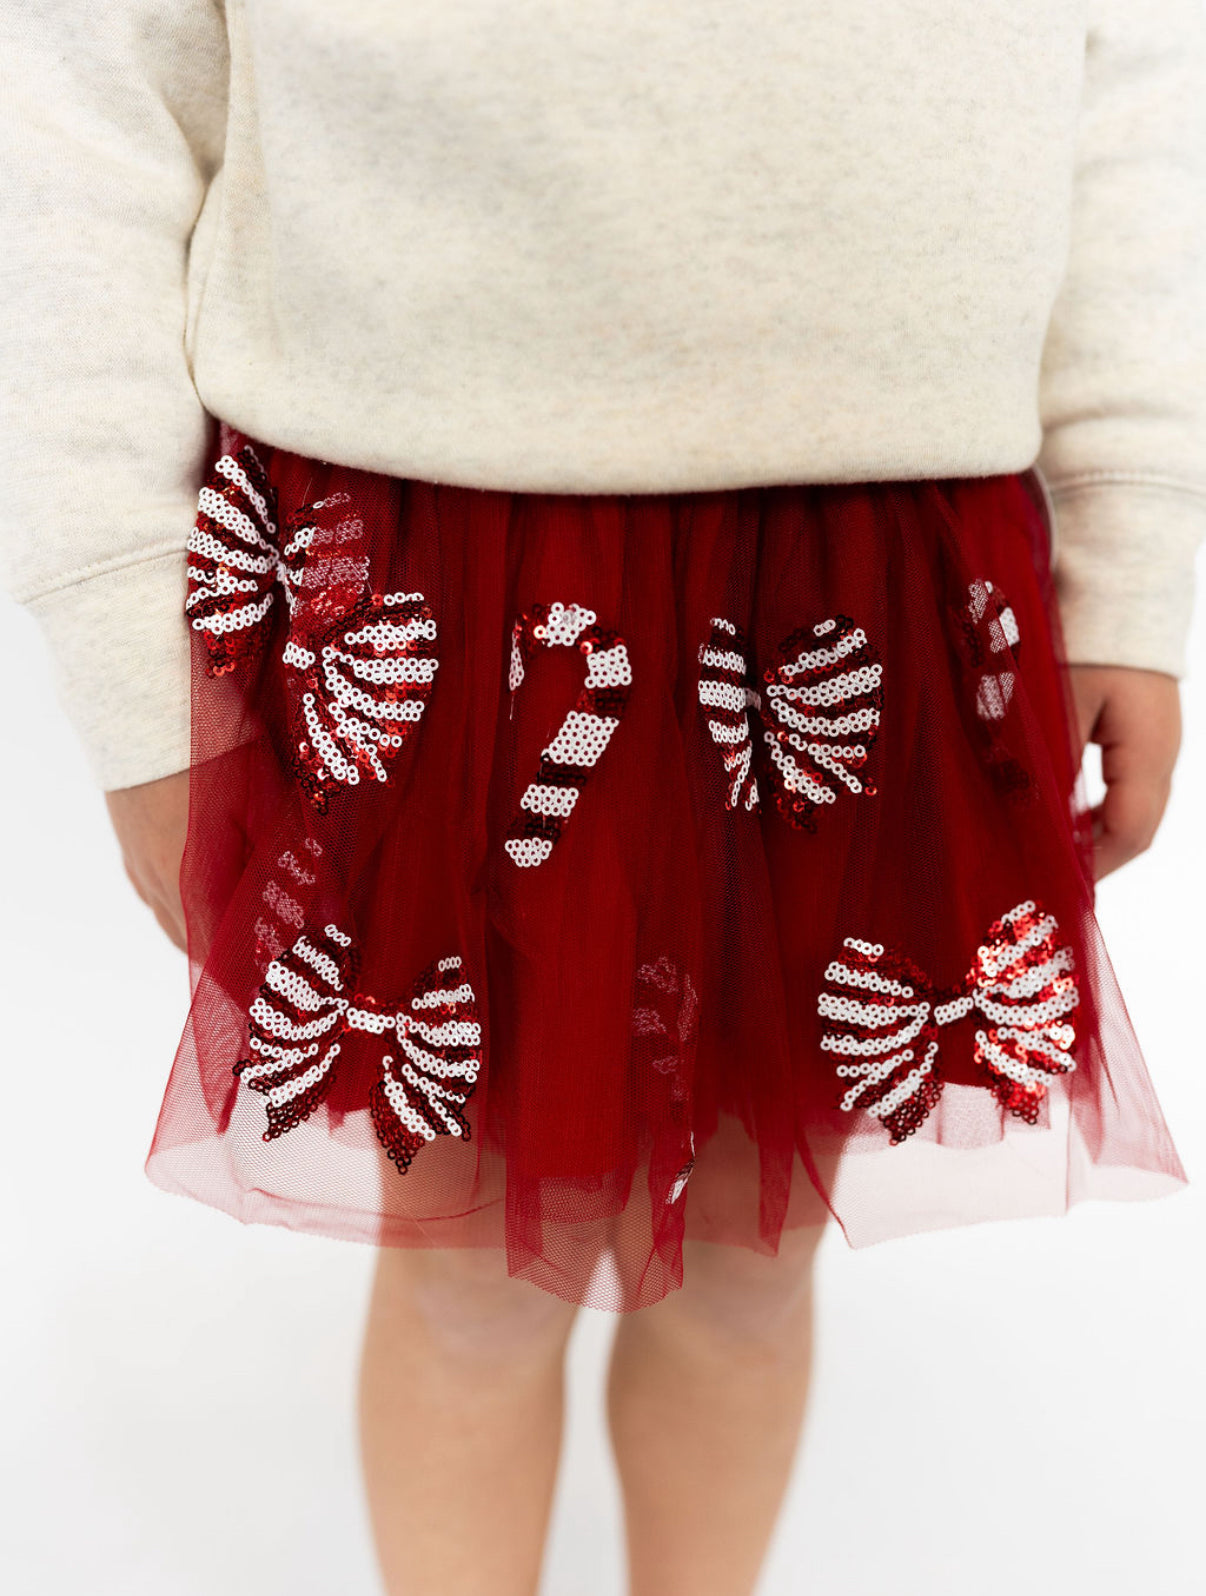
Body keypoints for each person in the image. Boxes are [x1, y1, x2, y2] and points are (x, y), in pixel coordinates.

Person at [1, 5, 1203, 1594]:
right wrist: (124, 645)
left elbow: (1127, 72)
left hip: (875, 572)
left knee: (747, 1271)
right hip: (433, 571)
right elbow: (85, 97)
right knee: (476, 1283)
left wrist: (1131, 520)